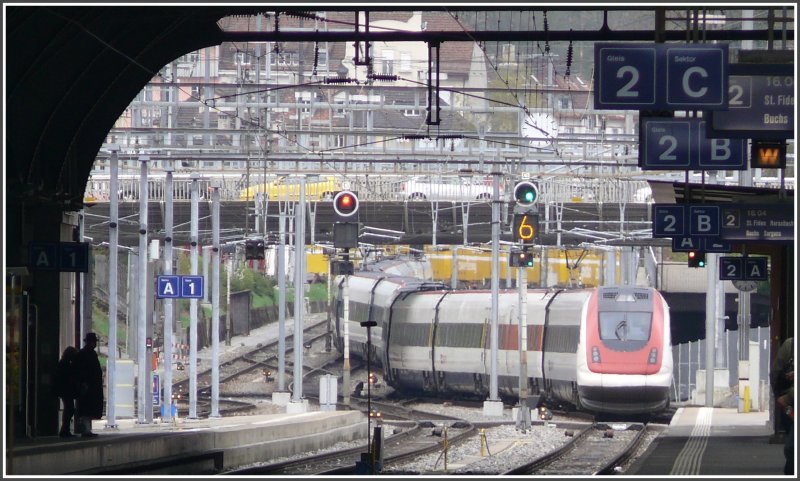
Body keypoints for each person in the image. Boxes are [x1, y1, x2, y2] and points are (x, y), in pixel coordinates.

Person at [771, 336, 794, 475]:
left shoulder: (790, 345)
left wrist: (779, 397)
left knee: (791, 446)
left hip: (789, 404)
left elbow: (775, 374)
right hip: (790, 402)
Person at [75, 332, 104, 438]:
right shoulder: (87, 354)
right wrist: (84, 383)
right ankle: (86, 430)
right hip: (88, 386)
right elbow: (84, 371)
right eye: (94, 342)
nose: (95, 344)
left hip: (89, 386)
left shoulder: (85, 353)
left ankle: (87, 429)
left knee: (87, 408)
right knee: (86, 409)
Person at [55, 346, 79, 438]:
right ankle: (65, 430)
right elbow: (69, 377)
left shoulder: (63, 363)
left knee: (69, 409)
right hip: (66, 390)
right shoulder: (66, 365)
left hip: (64, 390)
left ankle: (65, 429)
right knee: (69, 409)